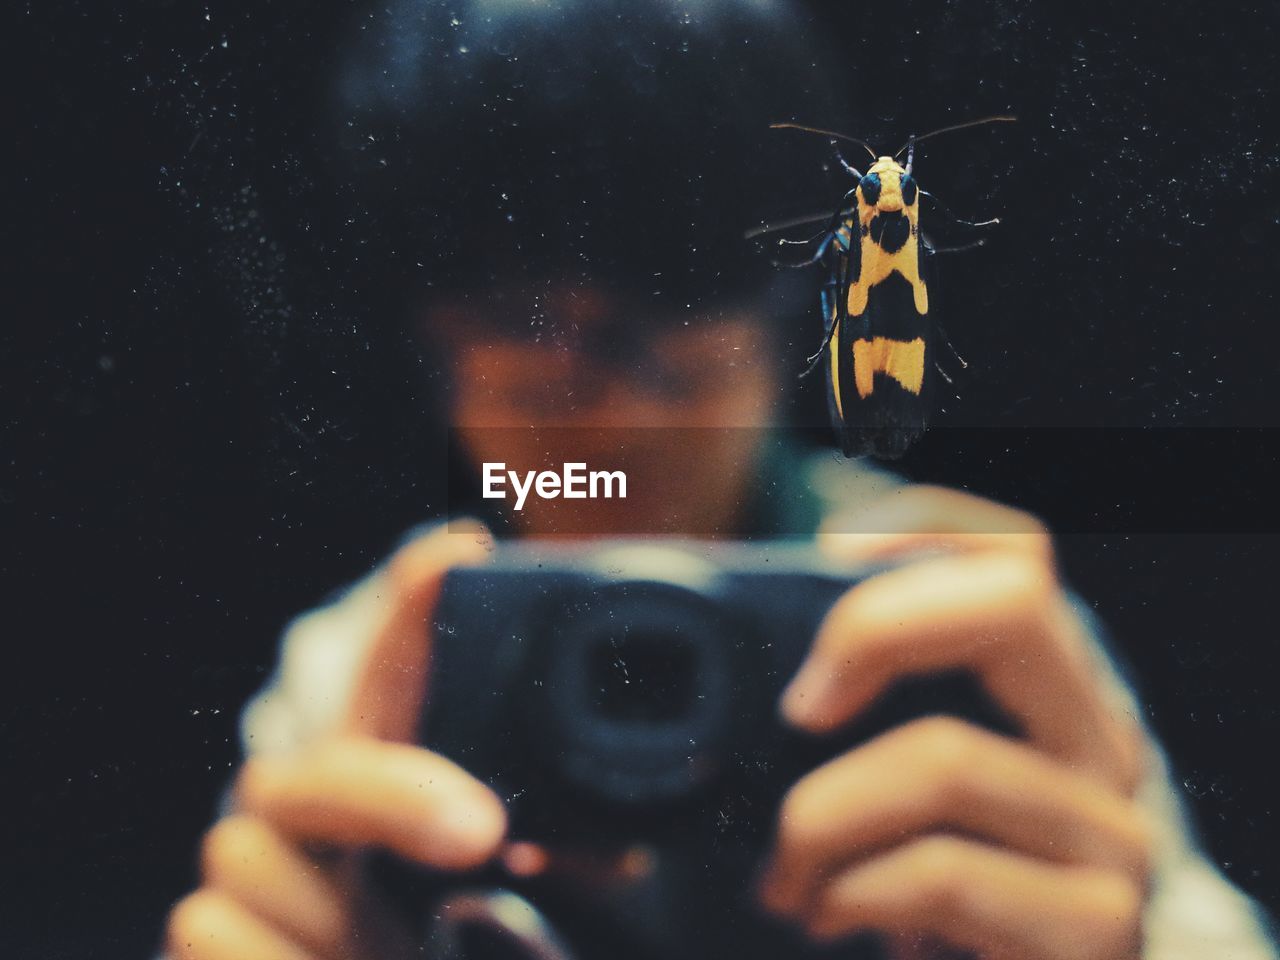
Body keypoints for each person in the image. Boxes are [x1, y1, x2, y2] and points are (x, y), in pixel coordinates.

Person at [162, 2, 1276, 958]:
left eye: (678, 357)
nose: (619, 435)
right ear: (434, 361)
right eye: (530, 362)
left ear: (775, 332)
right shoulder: (369, 677)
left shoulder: (950, 618)